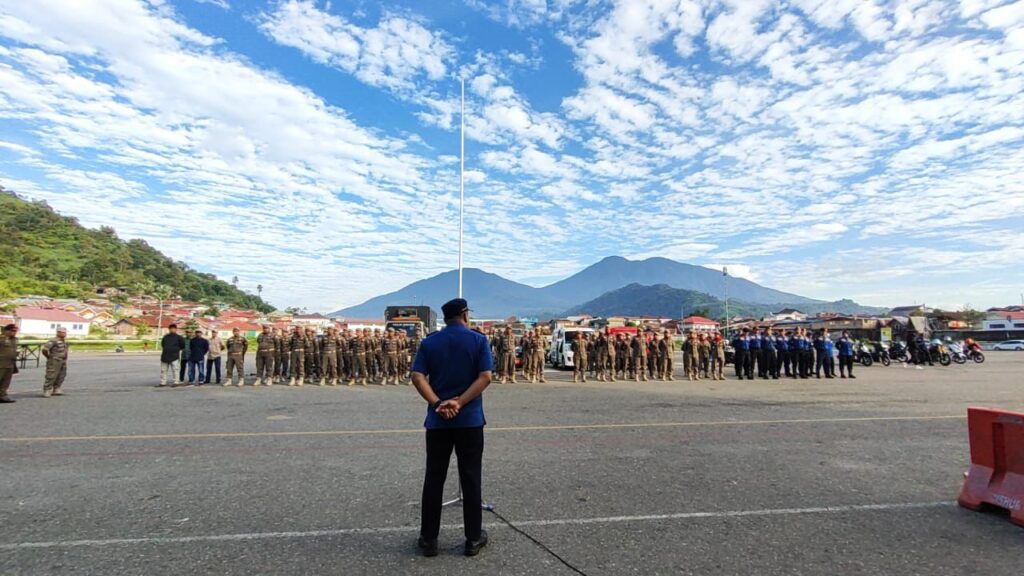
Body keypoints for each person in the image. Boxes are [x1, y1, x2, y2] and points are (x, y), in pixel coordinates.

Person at [411, 298, 493, 558]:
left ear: (445, 318)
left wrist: (438, 403)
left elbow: (417, 376)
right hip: (469, 420)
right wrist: (460, 402)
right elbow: (485, 377)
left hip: (438, 421)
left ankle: (429, 539)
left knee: (434, 478)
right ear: (465, 315)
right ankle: (472, 539)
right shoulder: (478, 341)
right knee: (470, 477)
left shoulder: (430, 342)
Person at [41, 327, 69, 397]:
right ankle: (47, 389)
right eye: (63, 332)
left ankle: (56, 388)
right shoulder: (53, 340)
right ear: (58, 332)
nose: (64, 334)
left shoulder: (64, 341)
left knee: (61, 375)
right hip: (54, 360)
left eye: (65, 332)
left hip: (62, 360)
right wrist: (49, 357)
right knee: (51, 375)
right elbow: (45, 350)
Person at [1, 323, 20, 403]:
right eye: (12, 331)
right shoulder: (1, 338)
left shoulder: (15, 339)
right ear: (6, 331)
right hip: (1, 363)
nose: (14, 332)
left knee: (6, 381)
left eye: (15, 331)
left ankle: (2, 395)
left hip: (10, 363)